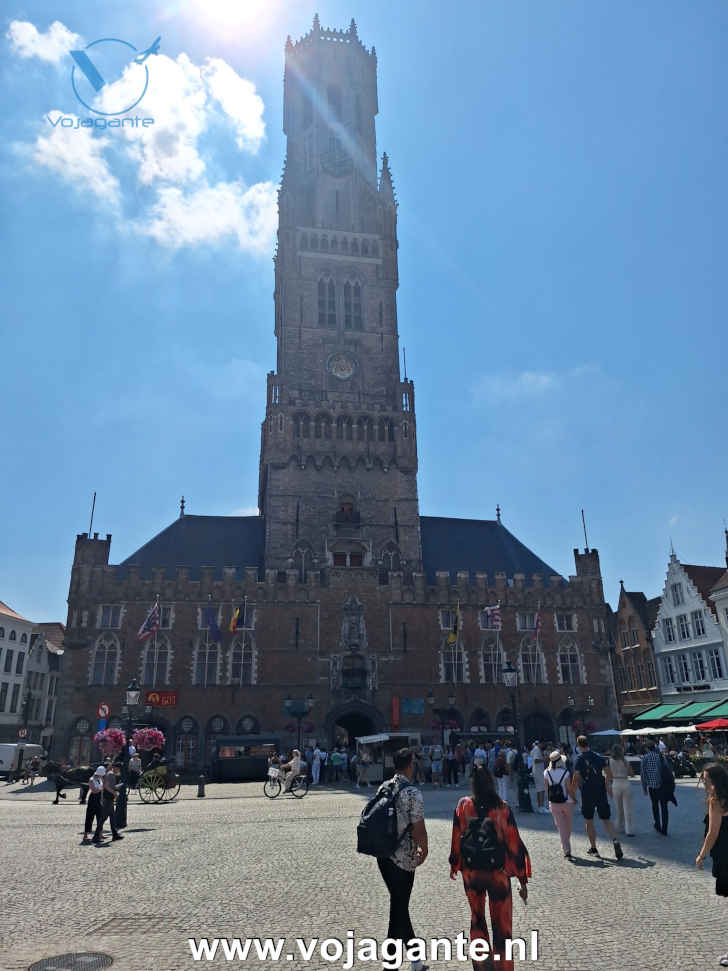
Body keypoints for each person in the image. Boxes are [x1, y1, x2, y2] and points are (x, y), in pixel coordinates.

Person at [449, 764, 531, 971]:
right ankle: (503, 967)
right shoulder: (502, 808)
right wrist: (522, 878)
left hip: (472, 873)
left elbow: (456, 837)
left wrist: (455, 864)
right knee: (502, 924)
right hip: (498, 874)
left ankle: (482, 966)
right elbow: (514, 844)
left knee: (477, 919)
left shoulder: (463, 805)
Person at [376, 748, 429, 971]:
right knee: (397, 909)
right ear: (410, 765)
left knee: (399, 906)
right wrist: (424, 849)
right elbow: (418, 829)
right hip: (404, 858)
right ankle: (390, 965)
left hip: (383, 855)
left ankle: (416, 961)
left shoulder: (384, 787)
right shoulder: (412, 792)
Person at [570, 735, 623, 860]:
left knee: (589, 820)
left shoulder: (579, 759)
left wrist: (572, 792)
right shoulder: (598, 756)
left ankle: (593, 847)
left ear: (578, 745)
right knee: (606, 819)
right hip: (600, 791)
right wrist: (606, 784)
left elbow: (576, 778)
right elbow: (609, 773)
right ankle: (615, 840)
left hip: (587, 792)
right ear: (588, 744)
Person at [696, 763, 728, 965]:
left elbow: (712, 833)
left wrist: (701, 855)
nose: (704, 782)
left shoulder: (716, 801)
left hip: (725, 854)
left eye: (706, 779)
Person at [544, 749, 574, 859]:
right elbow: (569, 789)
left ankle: (566, 848)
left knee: (561, 827)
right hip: (567, 801)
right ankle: (566, 846)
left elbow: (546, 789)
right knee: (568, 826)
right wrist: (575, 799)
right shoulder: (566, 773)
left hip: (554, 802)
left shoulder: (546, 772)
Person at [641, 741, 671, 836]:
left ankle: (657, 824)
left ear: (647, 748)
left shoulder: (645, 758)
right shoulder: (661, 756)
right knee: (664, 807)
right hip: (662, 786)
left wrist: (644, 787)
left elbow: (643, 774)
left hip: (652, 786)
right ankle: (665, 828)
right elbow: (667, 770)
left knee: (655, 805)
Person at [608, 744, 634, 837]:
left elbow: (608, 776)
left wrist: (608, 787)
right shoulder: (625, 761)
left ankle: (619, 826)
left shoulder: (610, 761)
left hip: (615, 783)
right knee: (628, 808)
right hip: (625, 782)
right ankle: (629, 830)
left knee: (618, 809)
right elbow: (631, 774)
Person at [82, 767, 106, 845]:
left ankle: (100, 834)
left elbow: (100, 790)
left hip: (99, 798)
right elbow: (93, 790)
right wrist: (101, 788)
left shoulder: (100, 779)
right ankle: (85, 835)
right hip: (93, 799)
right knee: (89, 817)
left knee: (100, 817)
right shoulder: (91, 779)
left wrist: (102, 798)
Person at [530, 741, 547, 813]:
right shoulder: (537, 749)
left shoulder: (535, 749)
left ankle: (541, 806)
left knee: (540, 789)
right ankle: (541, 806)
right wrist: (544, 759)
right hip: (538, 771)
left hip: (538, 771)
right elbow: (536, 760)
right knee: (541, 789)